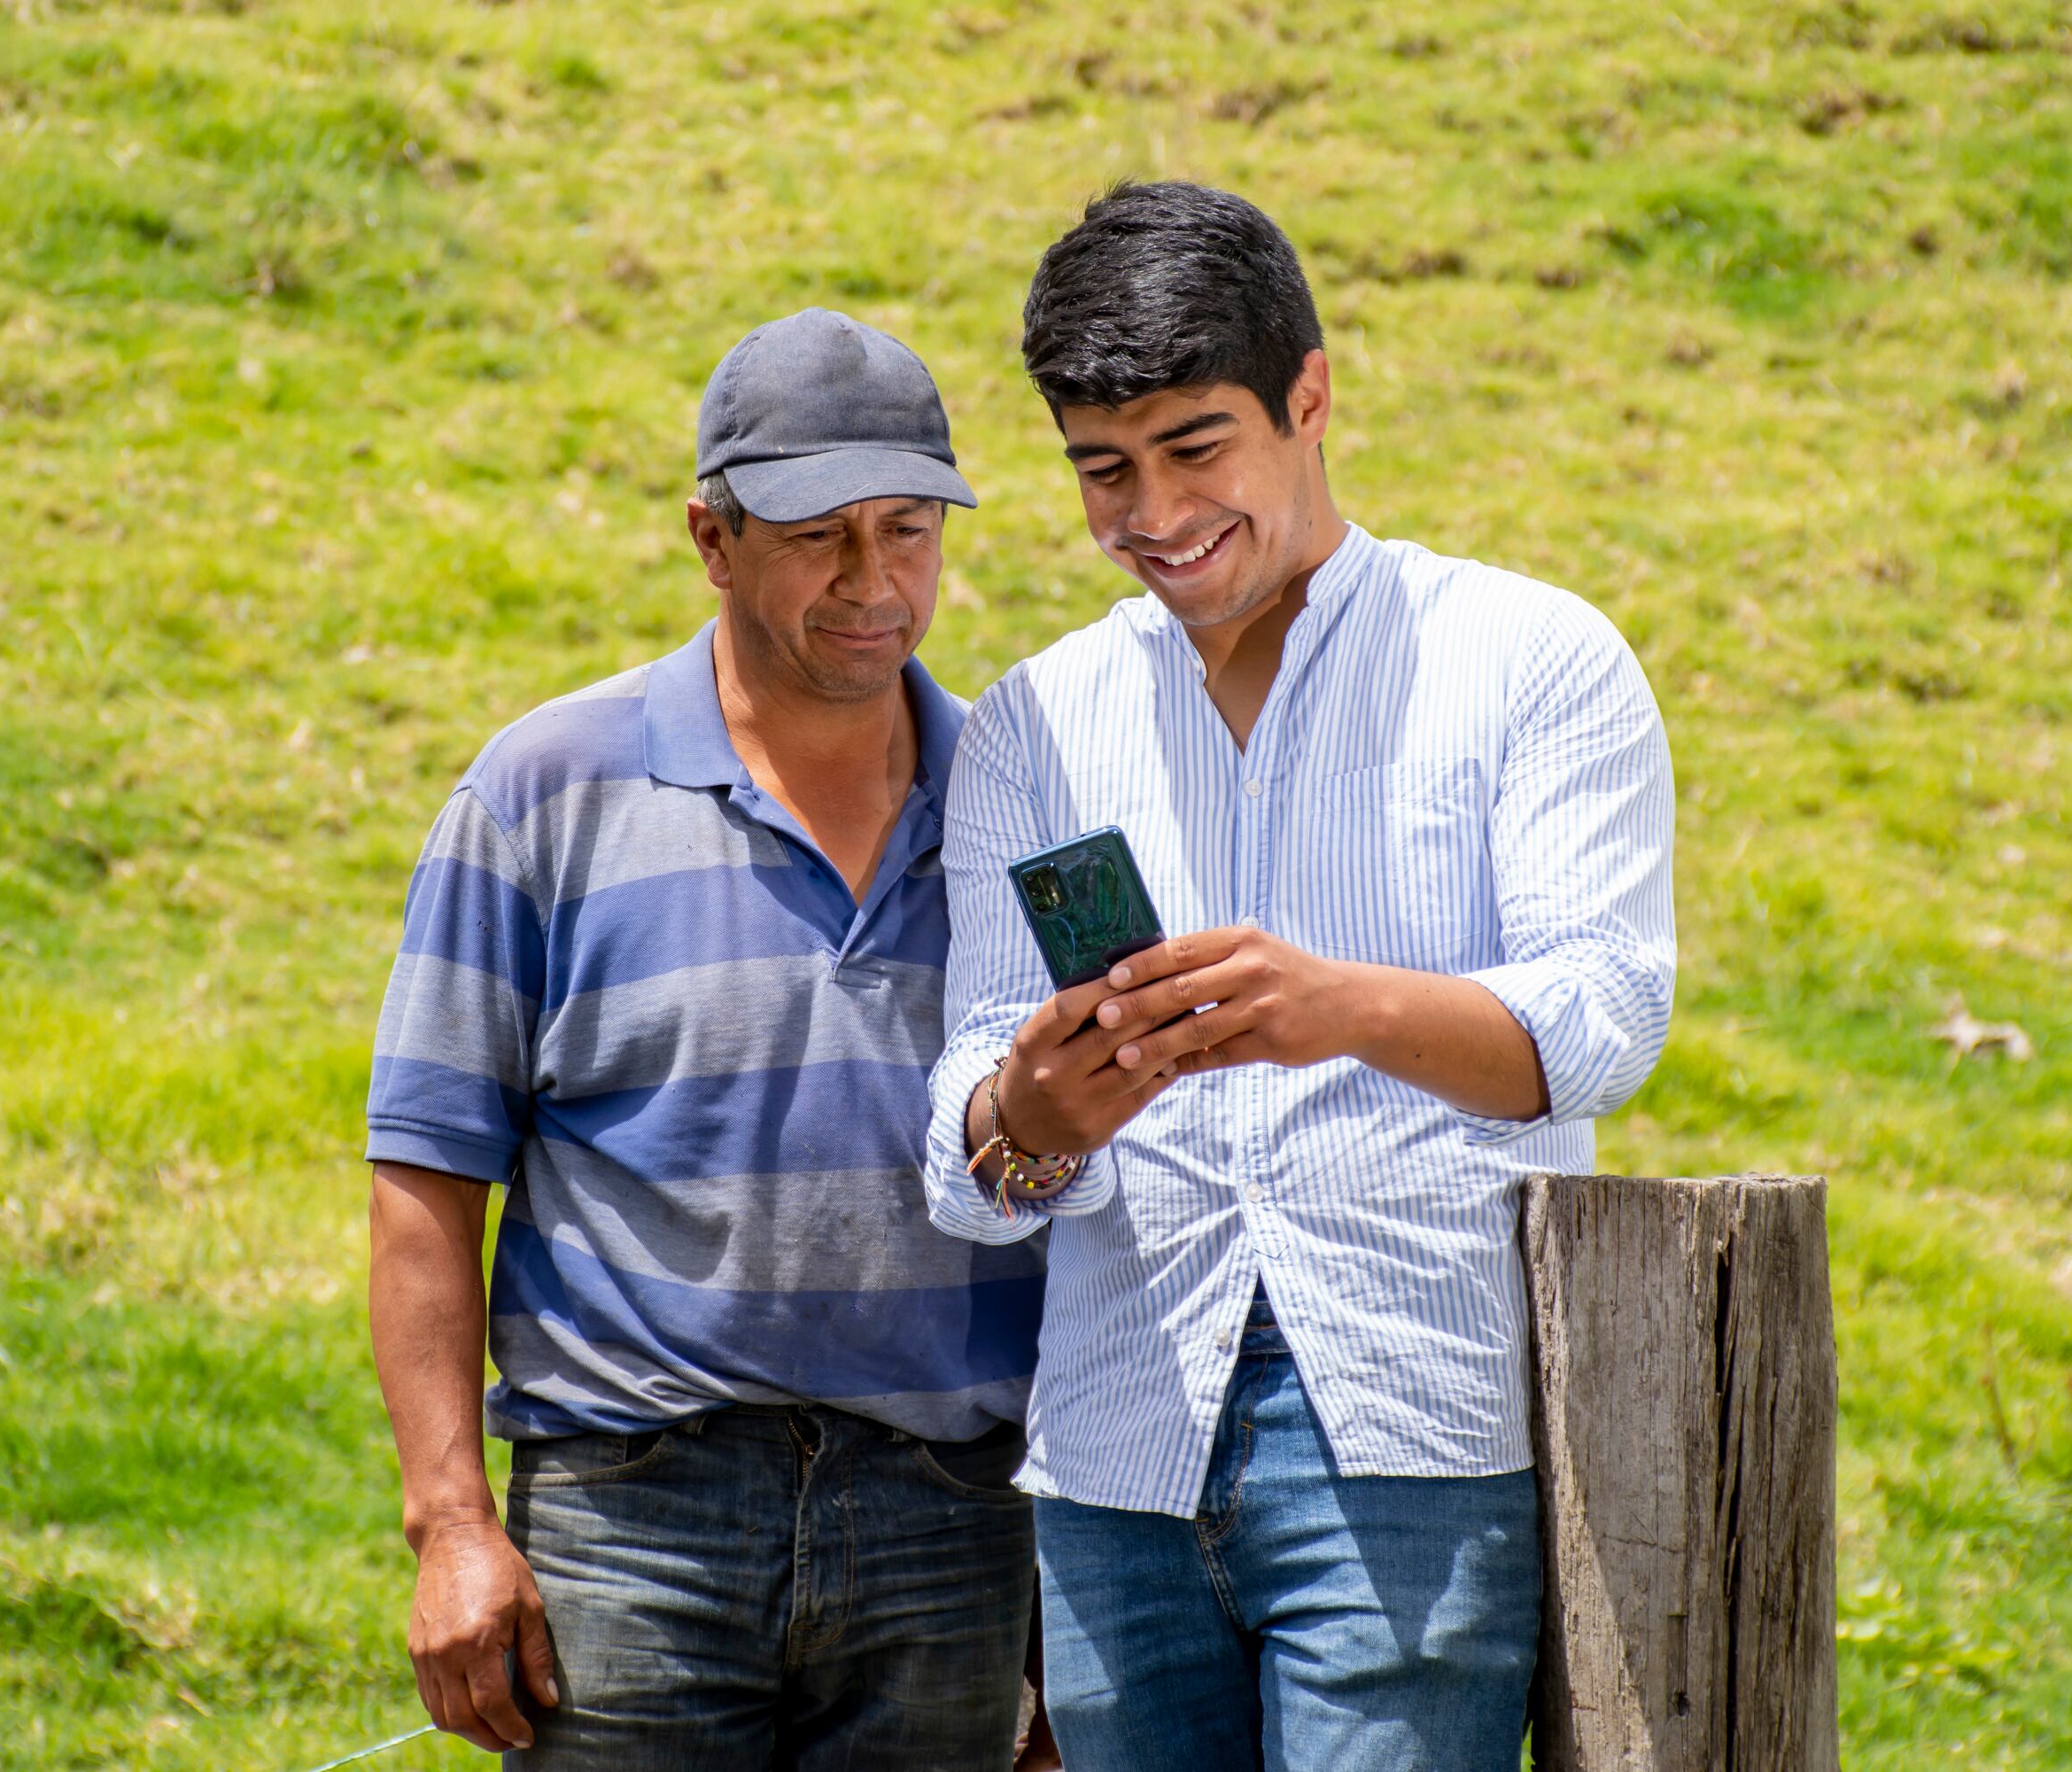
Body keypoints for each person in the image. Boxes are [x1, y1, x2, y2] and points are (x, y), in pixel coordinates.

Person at [923, 182, 1676, 1771]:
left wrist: (1337, 1008)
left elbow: (1604, 1019)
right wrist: (1035, 1110)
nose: (1154, 513)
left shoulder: (1532, 660)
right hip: (1118, 1452)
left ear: (1311, 398)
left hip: (1408, 1432)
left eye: (1198, 449)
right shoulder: (1030, 724)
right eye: (1102, 471)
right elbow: (970, 1147)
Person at [366, 307, 1045, 1770]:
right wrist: (452, 1526)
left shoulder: (1024, 807)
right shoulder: (541, 792)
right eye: (820, 538)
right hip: (633, 1524)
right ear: (711, 537)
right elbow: (425, 1184)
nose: (875, 586)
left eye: (910, 530)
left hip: (956, 1528)